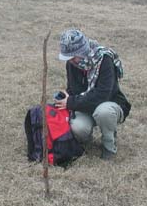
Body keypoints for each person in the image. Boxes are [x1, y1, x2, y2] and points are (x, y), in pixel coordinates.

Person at [54, 29, 131, 160]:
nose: (71, 61)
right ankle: (85, 142)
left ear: (82, 51)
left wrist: (71, 101)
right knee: (78, 128)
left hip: (109, 104)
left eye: (73, 57)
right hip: (86, 106)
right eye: (69, 58)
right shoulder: (72, 64)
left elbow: (102, 95)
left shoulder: (105, 59)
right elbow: (74, 88)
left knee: (103, 112)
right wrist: (65, 97)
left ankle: (109, 145)